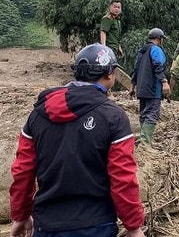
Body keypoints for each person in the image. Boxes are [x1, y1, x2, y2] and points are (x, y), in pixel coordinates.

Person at [9, 43, 144, 237]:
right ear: (109, 74)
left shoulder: (37, 115)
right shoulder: (114, 117)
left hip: (47, 226)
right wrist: (133, 226)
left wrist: (20, 216)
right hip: (97, 225)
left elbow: (23, 172)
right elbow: (123, 178)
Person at [130, 28, 170, 145]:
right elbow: (158, 67)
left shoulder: (141, 52)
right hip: (153, 88)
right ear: (159, 39)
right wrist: (164, 82)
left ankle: (144, 140)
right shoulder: (156, 50)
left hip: (141, 89)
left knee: (144, 114)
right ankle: (145, 142)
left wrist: (132, 87)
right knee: (152, 114)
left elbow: (135, 71)